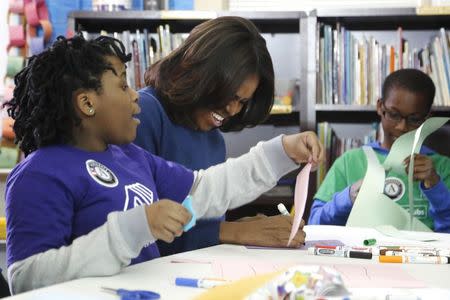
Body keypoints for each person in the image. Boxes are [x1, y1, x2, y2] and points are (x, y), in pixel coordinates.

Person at [4, 34, 324, 294]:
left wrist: (280, 152)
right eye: (122, 85)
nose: (135, 96)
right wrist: (131, 229)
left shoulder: (131, 156)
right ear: (87, 103)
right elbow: (27, 279)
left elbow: (204, 188)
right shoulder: (39, 174)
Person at [134, 16, 297, 255]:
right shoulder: (143, 114)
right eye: (230, 95)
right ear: (200, 74)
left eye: (242, 102)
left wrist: (238, 228)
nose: (232, 110)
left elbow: (198, 219)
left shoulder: (213, 138)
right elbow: (140, 231)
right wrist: (232, 232)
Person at [308, 68, 450, 232]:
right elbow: (314, 224)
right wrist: (347, 198)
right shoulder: (350, 162)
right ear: (380, 107)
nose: (402, 126)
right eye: (393, 114)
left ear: (428, 117)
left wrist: (435, 186)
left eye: (414, 119)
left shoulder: (442, 167)